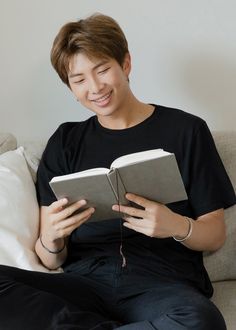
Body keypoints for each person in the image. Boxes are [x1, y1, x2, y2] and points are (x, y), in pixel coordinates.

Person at [0, 13, 236, 330]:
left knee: (202, 321)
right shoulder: (65, 141)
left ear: (125, 64)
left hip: (161, 284)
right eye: (79, 79)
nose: (95, 87)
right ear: (70, 86)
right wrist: (53, 238)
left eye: (102, 70)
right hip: (85, 285)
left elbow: (215, 234)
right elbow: (51, 259)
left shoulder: (187, 130)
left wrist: (176, 225)